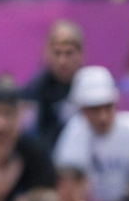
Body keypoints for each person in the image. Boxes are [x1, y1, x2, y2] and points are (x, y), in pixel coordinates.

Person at [53, 65, 129, 201]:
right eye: (94, 109)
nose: (102, 117)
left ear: (115, 103)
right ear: (81, 110)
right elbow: (67, 191)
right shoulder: (73, 136)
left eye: (107, 107)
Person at [21, 20, 84, 151]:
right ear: (47, 53)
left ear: (80, 54)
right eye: (57, 53)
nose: (62, 61)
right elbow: (27, 132)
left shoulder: (90, 88)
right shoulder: (34, 89)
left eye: (69, 53)